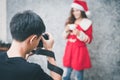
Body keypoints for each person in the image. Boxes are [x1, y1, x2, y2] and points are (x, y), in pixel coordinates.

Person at [0, 10, 62, 80]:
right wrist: (49, 50)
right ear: (33, 39)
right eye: (39, 39)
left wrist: (23, 60)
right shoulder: (33, 71)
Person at [62, 0, 93, 80]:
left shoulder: (87, 23)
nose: (75, 13)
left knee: (78, 76)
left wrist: (79, 33)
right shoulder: (71, 21)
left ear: (82, 11)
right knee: (66, 74)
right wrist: (66, 30)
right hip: (69, 50)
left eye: (77, 10)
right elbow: (64, 37)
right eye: (73, 10)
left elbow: (89, 40)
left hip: (79, 51)